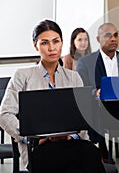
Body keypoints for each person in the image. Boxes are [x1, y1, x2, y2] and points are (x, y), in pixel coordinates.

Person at [0, 19, 106, 173]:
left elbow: (82, 117)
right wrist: (29, 138)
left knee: (90, 152)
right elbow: (4, 114)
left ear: (62, 43)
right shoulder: (22, 76)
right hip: (39, 148)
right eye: (44, 43)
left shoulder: (73, 77)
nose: (51, 48)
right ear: (35, 45)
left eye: (55, 41)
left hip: (71, 143)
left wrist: (72, 137)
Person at [76, 22, 119, 164]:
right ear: (98, 40)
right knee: (92, 109)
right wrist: (95, 92)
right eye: (108, 35)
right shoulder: (86, 63)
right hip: (100, 110)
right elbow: (82, 91)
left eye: (115, 35)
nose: (113, 39)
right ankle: (102, 152)